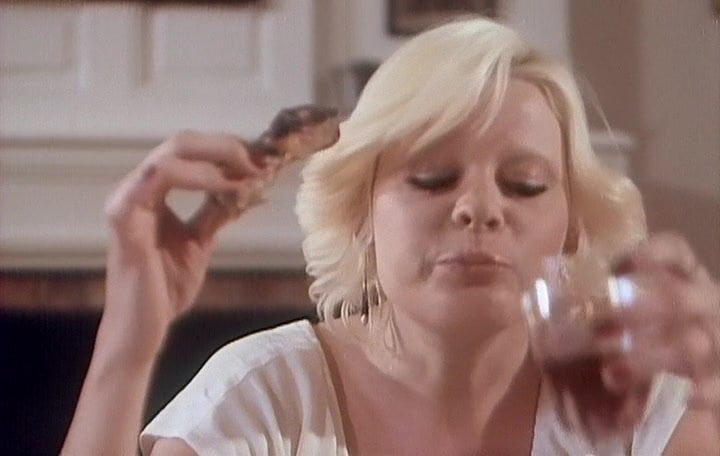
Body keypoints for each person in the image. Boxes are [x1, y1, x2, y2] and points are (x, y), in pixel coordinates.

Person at [61, 17, 720, 455]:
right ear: (361, 213)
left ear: (572, 225)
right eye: (432, 177)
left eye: (524, 183)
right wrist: (129, 341)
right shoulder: (266, 397)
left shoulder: (646, 408)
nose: (479, 208)